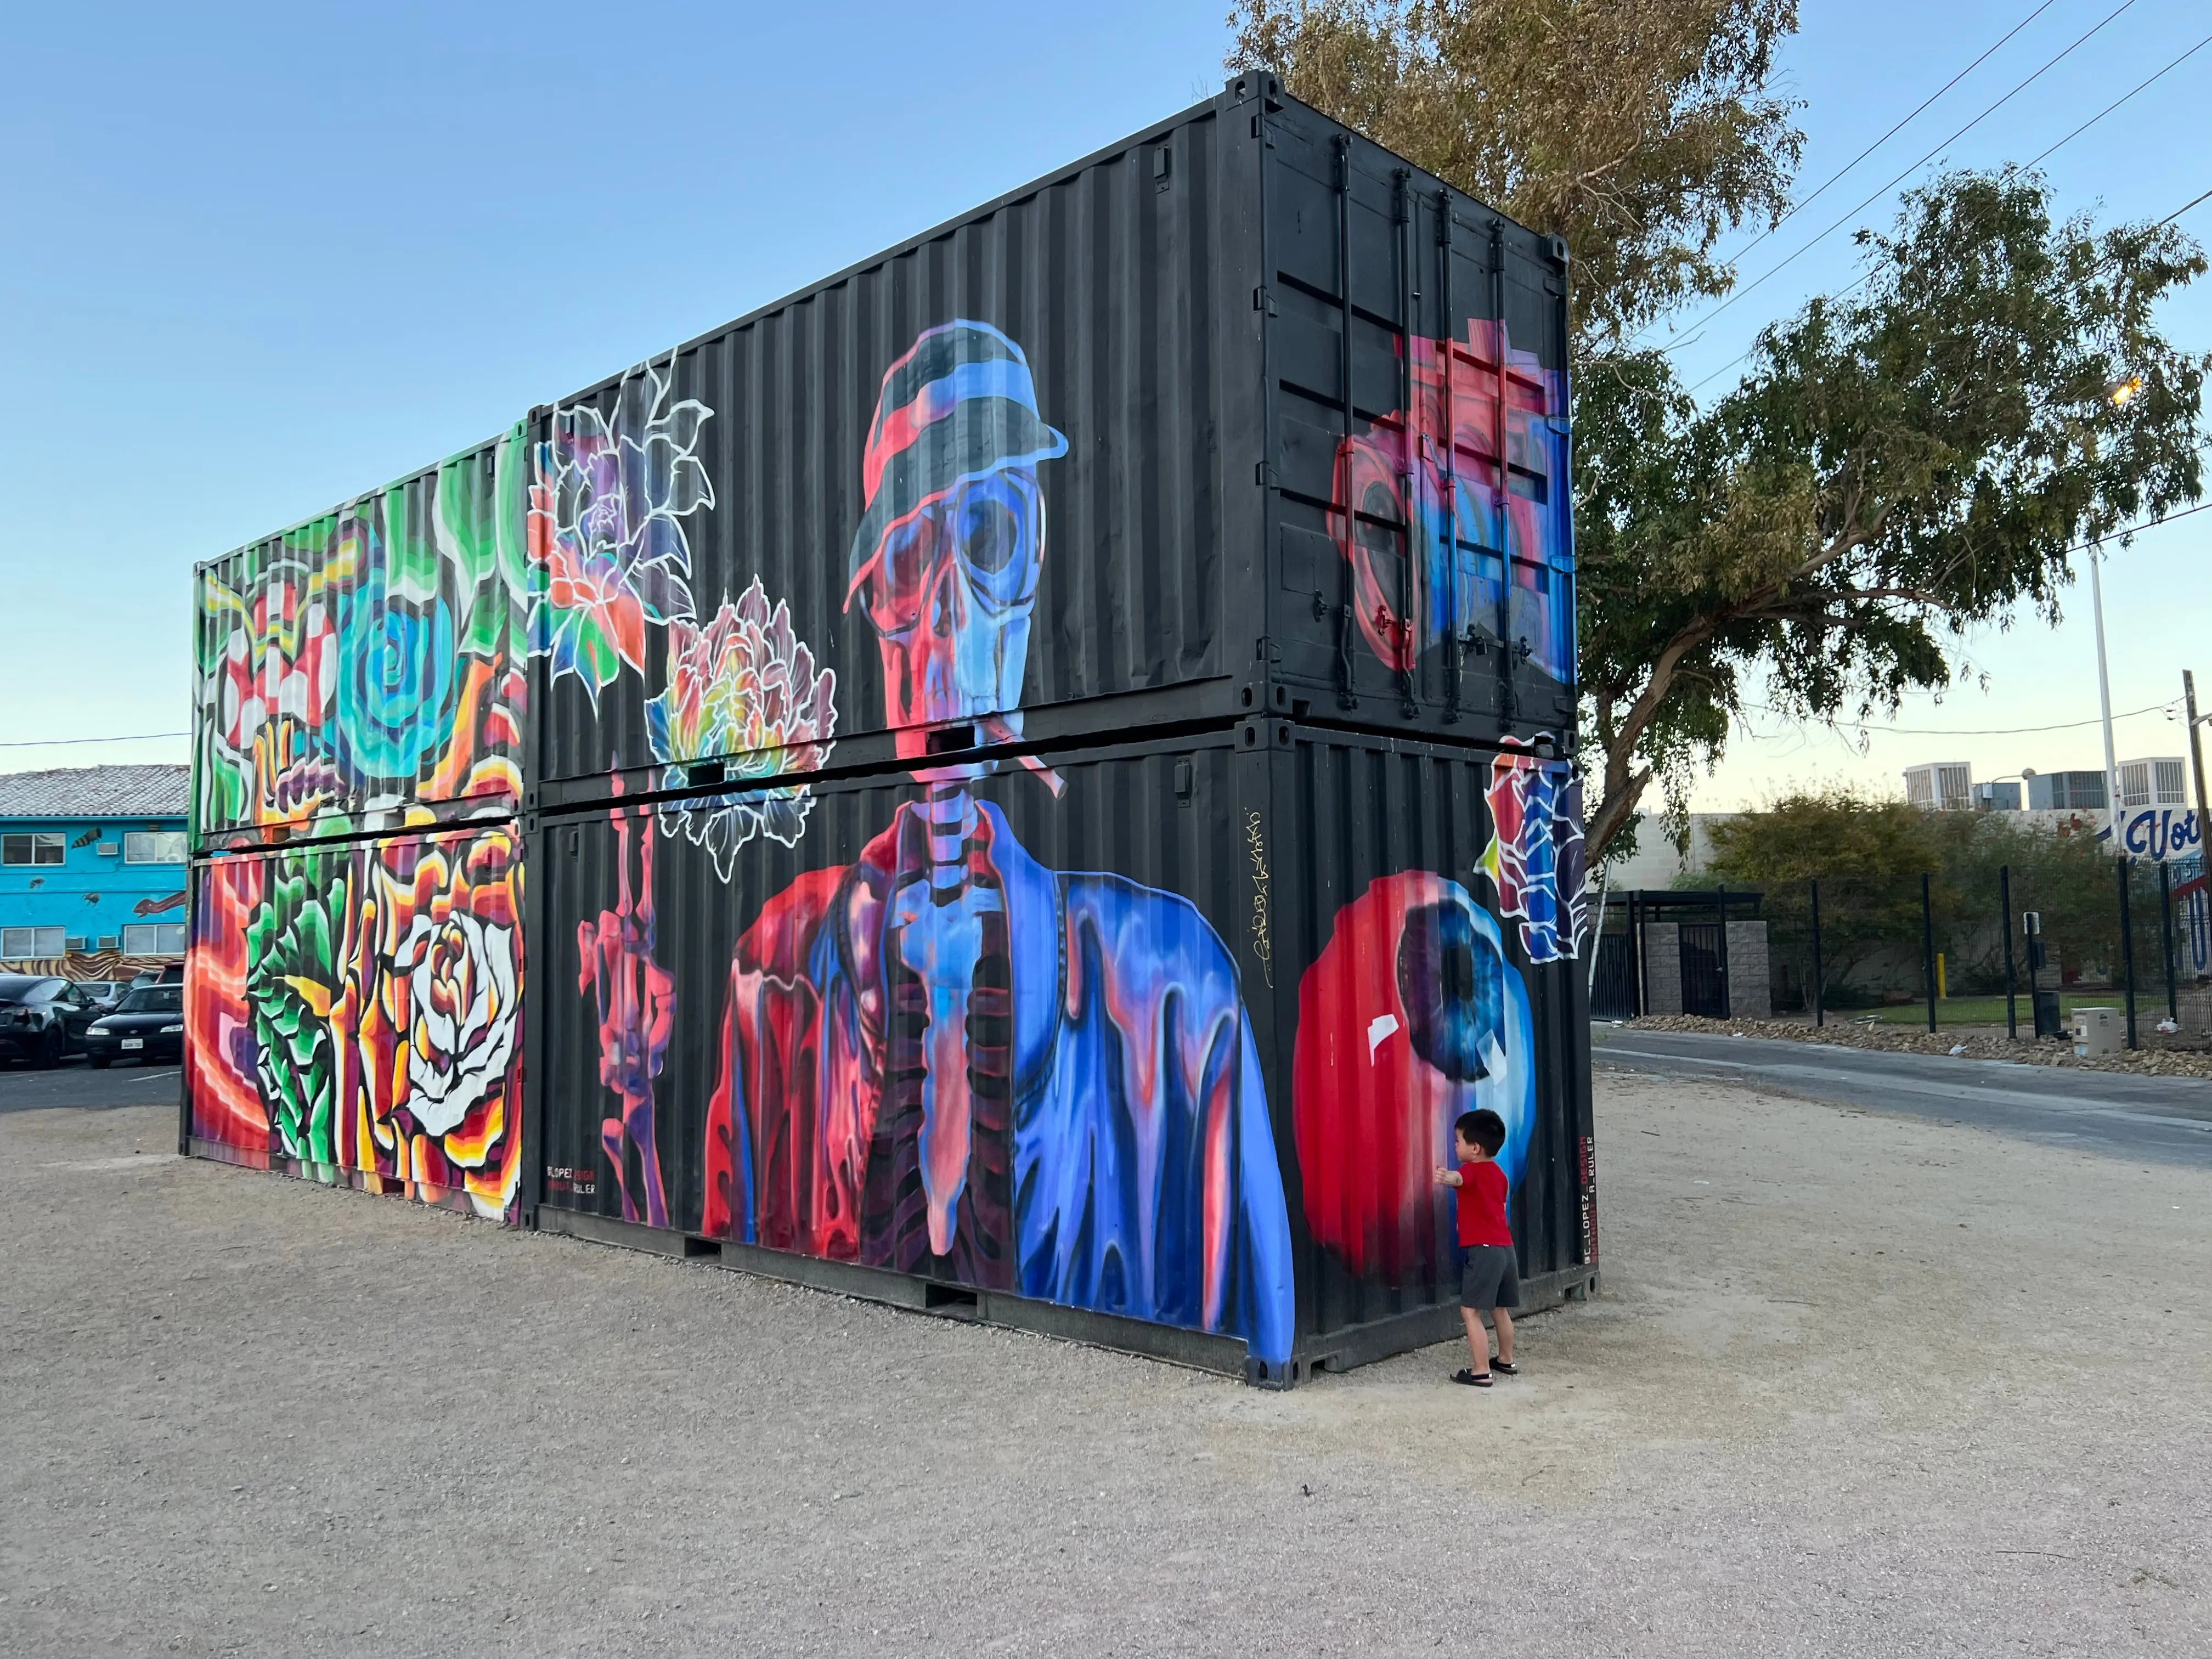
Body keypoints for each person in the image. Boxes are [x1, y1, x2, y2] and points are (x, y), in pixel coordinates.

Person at [1433, 1107, 1519, 1387]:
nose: (1455, 1146)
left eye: (1458, 1141)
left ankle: (1481, 1371)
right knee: (1500, 1309)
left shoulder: (1471, 1171)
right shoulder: (1500, 1175)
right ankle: (1506, 1360)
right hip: (1506, 1249)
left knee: (1470, 1312)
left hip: (1483, 1250)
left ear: (1475, 1148)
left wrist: (1447, 1178)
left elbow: (1461, 1180)